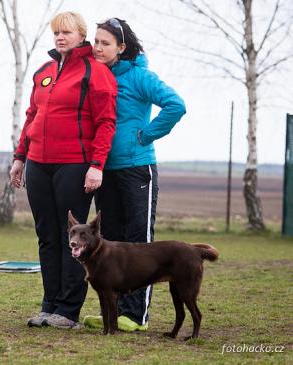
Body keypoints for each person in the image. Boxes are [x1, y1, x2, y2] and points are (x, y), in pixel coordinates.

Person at [9, 12, 117, 329]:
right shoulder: (43, 71)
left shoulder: (94, 72)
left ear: (81, 35)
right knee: (47, 236)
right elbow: (32, 115)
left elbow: (106, 123)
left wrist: (96, 165)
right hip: (39, 164)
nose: (60, 37)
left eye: (67, 32)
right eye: (56, 32)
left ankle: (68, 311)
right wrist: (20, 157)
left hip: (74, 163)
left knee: (74, 240)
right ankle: (49, 305)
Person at [82, 18, 186, 332]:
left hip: (137, 167)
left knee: (139, 242)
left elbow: (175, 105)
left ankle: (136, 315)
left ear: (121, 47)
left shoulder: (140, 76)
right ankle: (112, 314)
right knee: (110, 243)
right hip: (105, 171)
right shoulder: (97, 75)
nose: (98, 48)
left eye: (105, 43)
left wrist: (145, 136)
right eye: (96, 41)